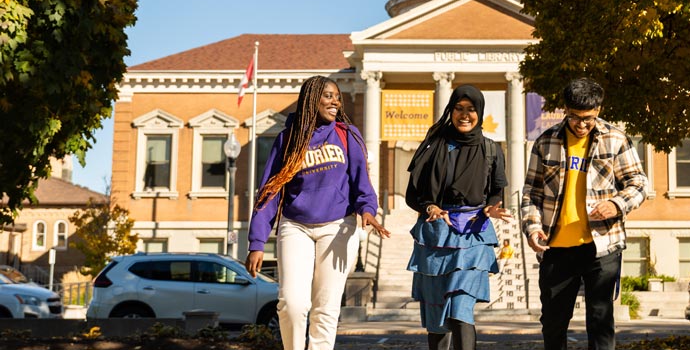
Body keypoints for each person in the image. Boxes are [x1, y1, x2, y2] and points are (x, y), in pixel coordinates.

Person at [245, 75, 391, 350]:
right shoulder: (289, 139)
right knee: (292, 304)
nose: (335, 101)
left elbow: (362, 182)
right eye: (328, 96)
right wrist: (257, 242)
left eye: (337, 96)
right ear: (312, 99)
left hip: (338, 226)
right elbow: (270, 190)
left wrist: (368, 210)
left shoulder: (347, 135)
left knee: (326, 308)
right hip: (295, 225)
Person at [522, 77, 648, 350]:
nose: (581, 124)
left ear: (599, 110)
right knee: (554, 322)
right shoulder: (546, 141)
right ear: (565, 110)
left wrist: (616, 204)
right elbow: (531, 192)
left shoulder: (615, 139)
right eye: (575, 117)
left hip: (602, 246)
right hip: (556, 247)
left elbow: (639, 183)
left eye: (588, 118)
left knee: (600, 319)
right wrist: (532, 228)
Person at [406, 84, 513, 350]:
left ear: (480, 113)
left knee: (461, 308)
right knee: (437, 315)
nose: (465, 115)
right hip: (435, 236)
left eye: (471, 109)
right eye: (459, 109)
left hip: (473, 235)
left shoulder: (491, 149)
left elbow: (496, 192)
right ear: (451, 111)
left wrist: (491, 208)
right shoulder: (433, 146)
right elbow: (413, 195)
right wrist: (429, 207)